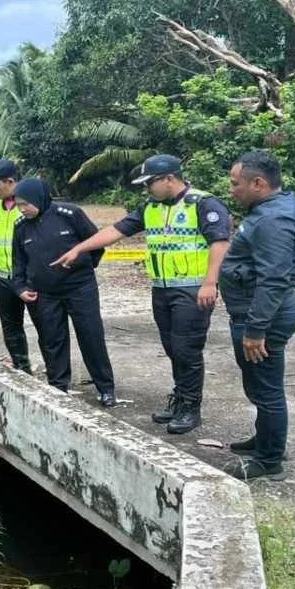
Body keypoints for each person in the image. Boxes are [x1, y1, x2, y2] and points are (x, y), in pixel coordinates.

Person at [51, 154, 231, 434]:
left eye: (150, 183)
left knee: (187, 350)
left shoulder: (203, 203)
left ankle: (190, 408)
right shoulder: (151, 207)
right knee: (173, 348)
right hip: (162, 288)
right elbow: (116, 230)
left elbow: (220, 242)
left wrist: (210, 282)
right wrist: (80, 248)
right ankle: (181, 398)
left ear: (169, 178)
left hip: (192, 289)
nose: (146, 189)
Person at [221, 150, 295, 481]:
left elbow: (273, 278)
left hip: (260, 319)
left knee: (266, 388)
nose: (232, 189)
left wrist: (256, 329)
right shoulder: (276, 208)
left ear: (257, 183)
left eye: (236, 183)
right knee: (261, 386)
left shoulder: (273, 219)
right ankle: (267, 439)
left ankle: (269, 459)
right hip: (258, 313)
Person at [10, 177, 117, 406]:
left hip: (80, 288)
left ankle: (105, 387)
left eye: (25, 203)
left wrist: (84, 267)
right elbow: (18, 263)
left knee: (91, 336)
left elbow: (96, 244)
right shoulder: (21, 228)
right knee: (52, 340)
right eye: (18, 204)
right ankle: (58, 386)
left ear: (38, 198)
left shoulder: (69, 214)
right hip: (45, 294)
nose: (22, 209)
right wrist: (20, 288)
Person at [0, 158, 45, 374]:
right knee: (11, 327)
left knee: (46, 326)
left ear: (10, 181)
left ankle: (57, 375)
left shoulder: (32, 203)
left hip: (30, 278)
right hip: (1, 277)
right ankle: (22, 369)